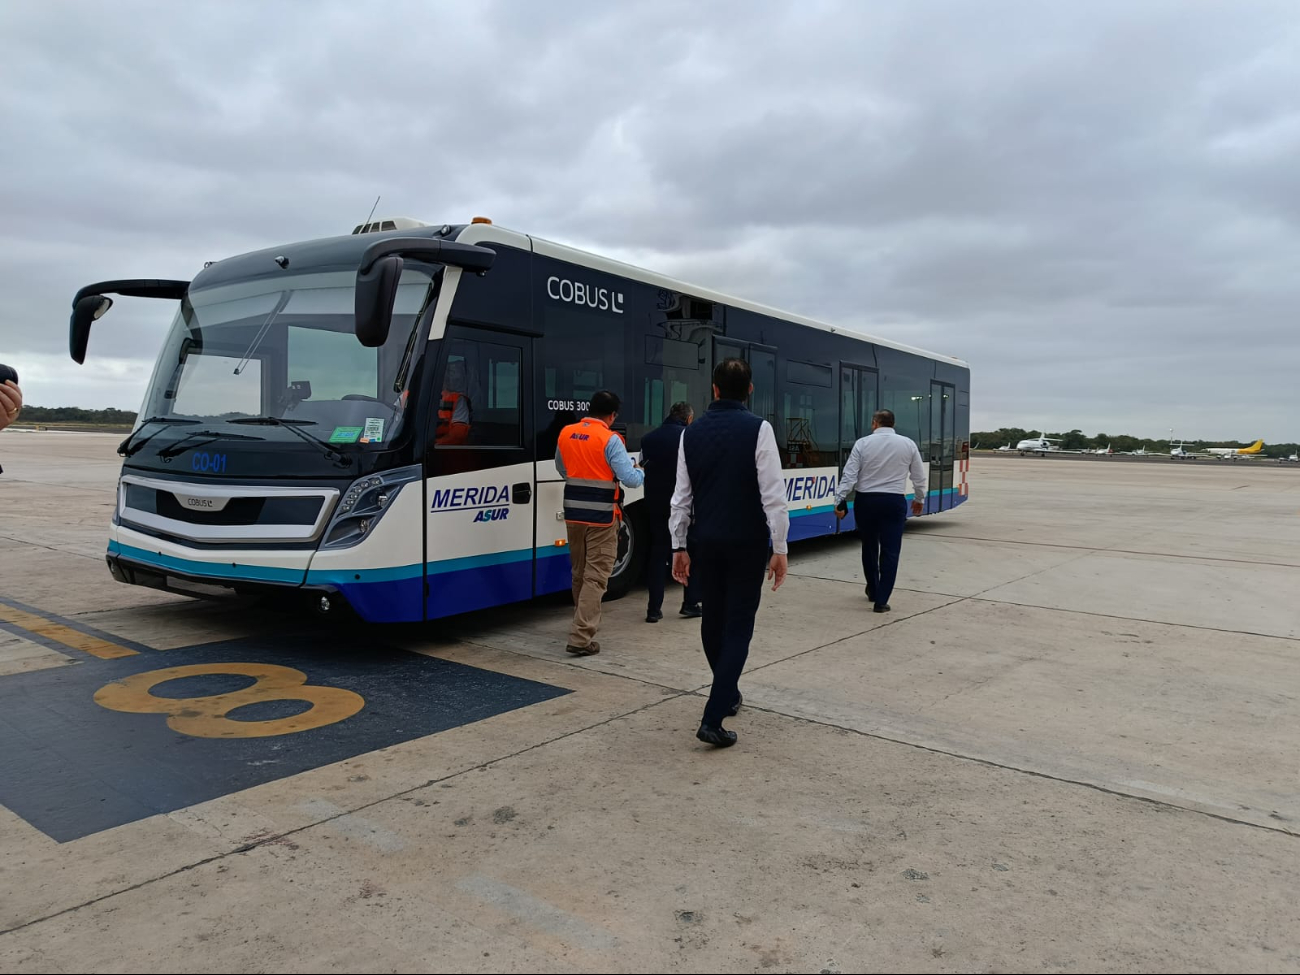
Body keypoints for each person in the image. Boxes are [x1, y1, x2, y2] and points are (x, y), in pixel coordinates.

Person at [670, 359, 789, 748]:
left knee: (713, 620)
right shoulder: (759, 428)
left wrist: (679, 545)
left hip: (705, 540)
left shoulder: (691, 432)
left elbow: (681, 497)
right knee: (739, 626)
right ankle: (713, 716)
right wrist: (780, 548)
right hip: (746, 542)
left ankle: (727, 691)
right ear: (750, 389)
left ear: (715, 389)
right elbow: (774, 495)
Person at [555, 390, 644, 656]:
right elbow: (629, 479)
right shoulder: (610, 439)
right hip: (602, 517)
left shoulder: (566, 433)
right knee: (597, 576)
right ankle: (581, 637)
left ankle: (583, 619)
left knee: (579, 572)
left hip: (573, 513)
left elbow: (562, 469)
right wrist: (640, 471)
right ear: (612, 415)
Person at [833, 409, 927, 613]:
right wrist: (919, 498)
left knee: (869, 547)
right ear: (892, 424)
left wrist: (840, 499)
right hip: (894, 501)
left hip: (866, 501)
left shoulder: (863, 443)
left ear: (875, 423)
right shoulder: (908, 444)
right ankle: (881, 600)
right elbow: (918, 476)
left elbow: (850, 474)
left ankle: (873, 589)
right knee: (891, 551)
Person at [639, 401, 702, 623]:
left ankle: (653, 610)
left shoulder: (648, 439)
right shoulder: (691, 437)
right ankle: (690, 603)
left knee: (657, 554)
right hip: (684, 506)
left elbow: (642, 466)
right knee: (689, 552)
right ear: (688, 419)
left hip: (655, 505)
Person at [435, 359, 472, 445]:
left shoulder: (458, 400)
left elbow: (458, 433)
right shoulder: (413, 396)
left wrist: (437, 443)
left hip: (443, 450)